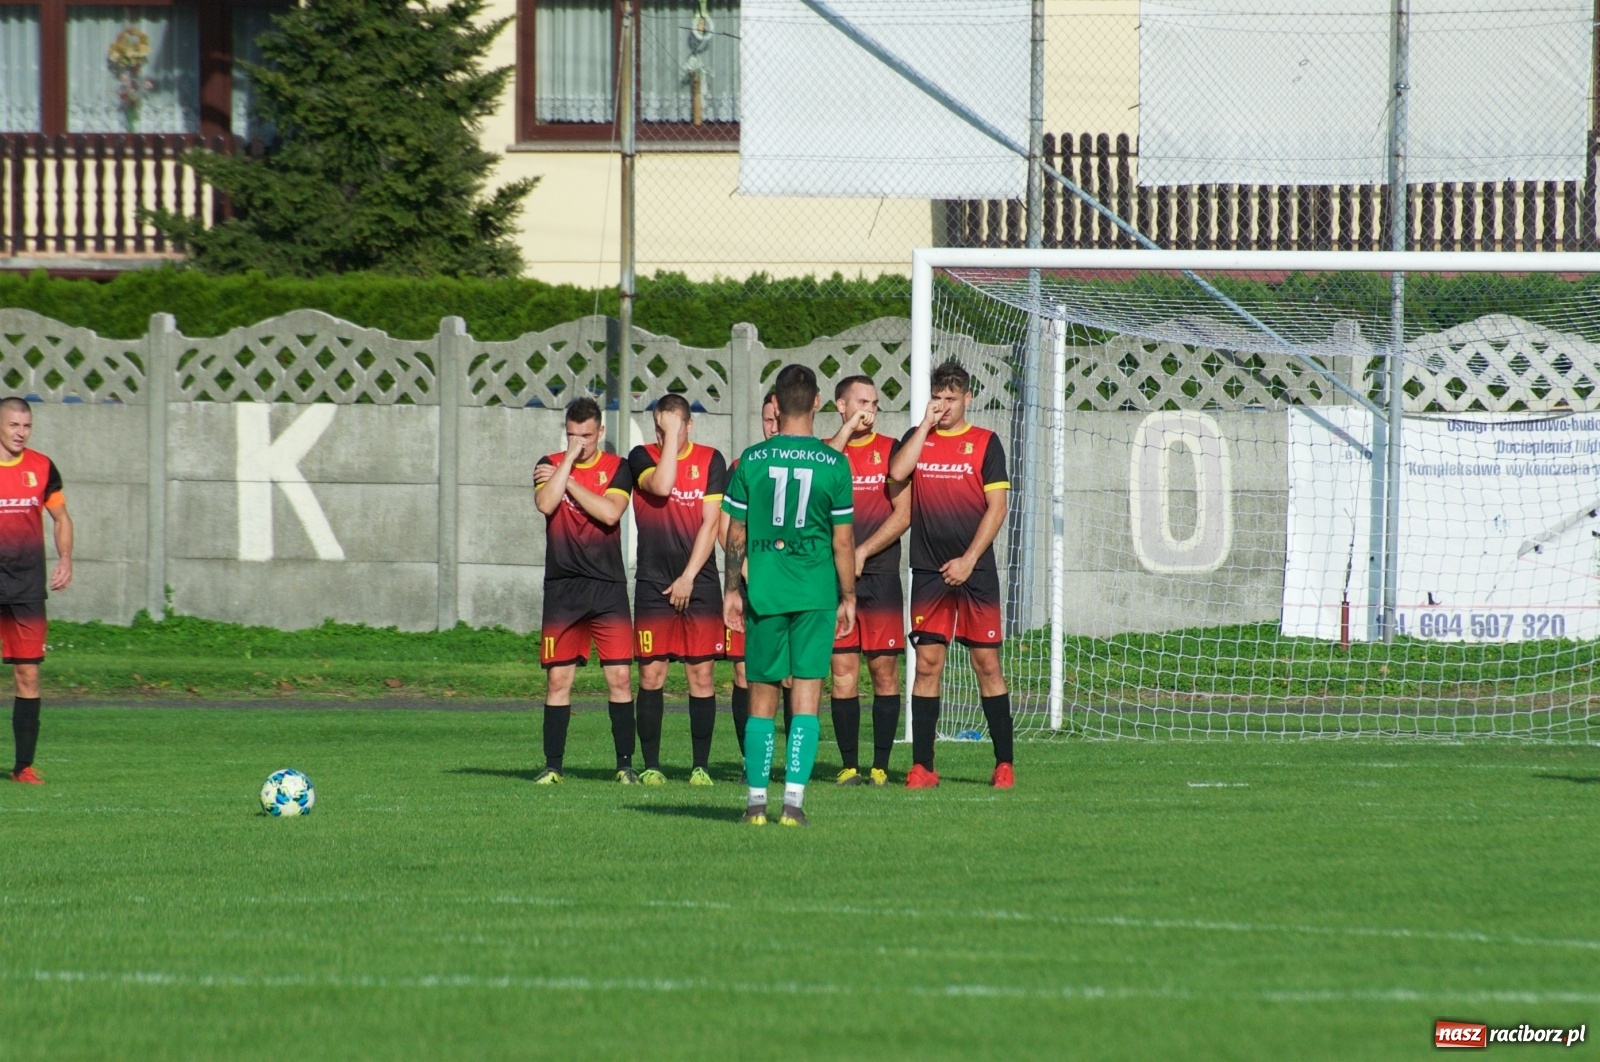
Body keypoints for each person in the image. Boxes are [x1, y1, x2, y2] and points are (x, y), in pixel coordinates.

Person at [723, 365, 856, 826]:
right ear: (817, 402)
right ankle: (793, 804)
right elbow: (842, 542)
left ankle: (756, 803)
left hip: (766, 592)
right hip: (816, 592)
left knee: (760, 697)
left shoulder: (751, 461)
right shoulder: (836, 464)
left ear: (775, 406)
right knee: (806, 697)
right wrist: (849, 596)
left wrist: (732, 591)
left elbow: (734, 532)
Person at [887, 360, 1013, 789]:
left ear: (967, 399)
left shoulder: (985, 443)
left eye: (950, 399)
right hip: (928, 572)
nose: (943, 406)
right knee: (927, 664)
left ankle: (1003, 764)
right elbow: (897, 473)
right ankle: (923, 765)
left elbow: (997, 508)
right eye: (937, 398)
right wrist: (923, 426)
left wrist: (969, 560)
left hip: (974, 573)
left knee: (987, 664)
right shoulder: (916, 439)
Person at [532, 397, 637, 784]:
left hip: (607, 588)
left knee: (620, 679)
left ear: (601, 432)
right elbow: (546, 503)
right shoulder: (549, 462)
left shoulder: (618, 468)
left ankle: (625, 765)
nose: (579, 443)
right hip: (563, 589)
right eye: (572, 435)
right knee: (558, 681)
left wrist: (571, 478)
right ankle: (553, 766)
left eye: (586, 436)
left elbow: (610, 513)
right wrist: (567, 465)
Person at [627, 394, 727, 786]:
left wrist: (688, 577)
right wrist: (668, 439)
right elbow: (663, 485)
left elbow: (710, 523)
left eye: (671, 426)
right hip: (653, 585)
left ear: (690, 425)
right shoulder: (640, 456)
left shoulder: (711, 459)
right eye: (658, 427)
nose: (662, 434)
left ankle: (699, 766)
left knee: (700, 676)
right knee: (652, 675)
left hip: (698, 581)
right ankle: (651, 766)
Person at [824, 375, 910, 786]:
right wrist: (845, 432)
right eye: (861, 402)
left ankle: (879, 765)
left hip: (880, 578)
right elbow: (820, 487)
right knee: (842, 673)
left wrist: (862, 551)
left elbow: (903, 514)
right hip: (834, 581)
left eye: (875, 403)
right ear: (840, 406)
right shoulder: (825, 452)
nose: (869, 410)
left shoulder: (892, 451)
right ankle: (848, 765)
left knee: (884, 672)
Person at [0, 398, 72, 785]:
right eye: (13, 425)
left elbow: (61, 516)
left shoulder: (41, 467)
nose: (20, 433)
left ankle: (22, 767)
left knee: (27, 675)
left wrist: (66, 559)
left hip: (26, 587)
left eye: (26, 426)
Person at [719, 390, 782, 753]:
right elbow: (723, 525)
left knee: (788, 674)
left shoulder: (803, 462)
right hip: (748, 581)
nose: (771, 426)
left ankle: (790, 758)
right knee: (744, 671)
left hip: (788, 581)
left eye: (777, 418)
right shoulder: (744, 464)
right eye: (766, 419)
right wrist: (744, 570)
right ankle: (750, 758)